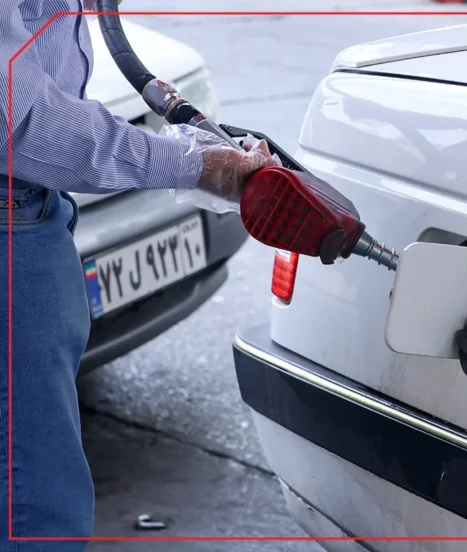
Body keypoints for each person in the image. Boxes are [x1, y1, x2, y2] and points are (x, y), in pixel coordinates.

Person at [0, 0, 277, 547]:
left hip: (32, 206)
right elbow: (18, 118)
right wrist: (191, 164)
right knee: (36, 506)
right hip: (12, 216)